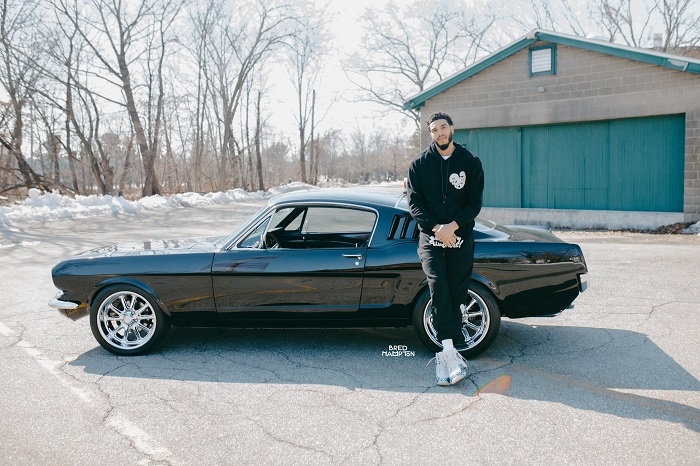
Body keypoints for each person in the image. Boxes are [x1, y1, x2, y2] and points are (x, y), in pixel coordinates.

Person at [406, 112, 484, 386]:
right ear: (430, 134)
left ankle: (455, 340)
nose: (439, 133)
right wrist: (438, 229)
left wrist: (453, 226)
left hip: (460, 235)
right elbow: (414, 204)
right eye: (434, 129)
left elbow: (474, 204)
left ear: (452, 128)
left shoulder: (470, 162)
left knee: (456, 288)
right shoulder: (419, 164)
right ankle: (447, 350)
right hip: (431, 237)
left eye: (443, 127)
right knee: (438, 285)